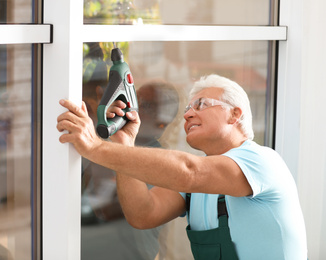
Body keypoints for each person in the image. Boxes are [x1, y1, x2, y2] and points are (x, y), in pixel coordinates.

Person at [57, 74, 307, 259]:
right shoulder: (197, 184)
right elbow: (143, 214)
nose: (187, 115)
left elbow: (190, 171)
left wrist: (95, 147)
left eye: (201, 105)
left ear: (235, 114)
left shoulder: (262, 161)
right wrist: (125, 143)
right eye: (188, 108)